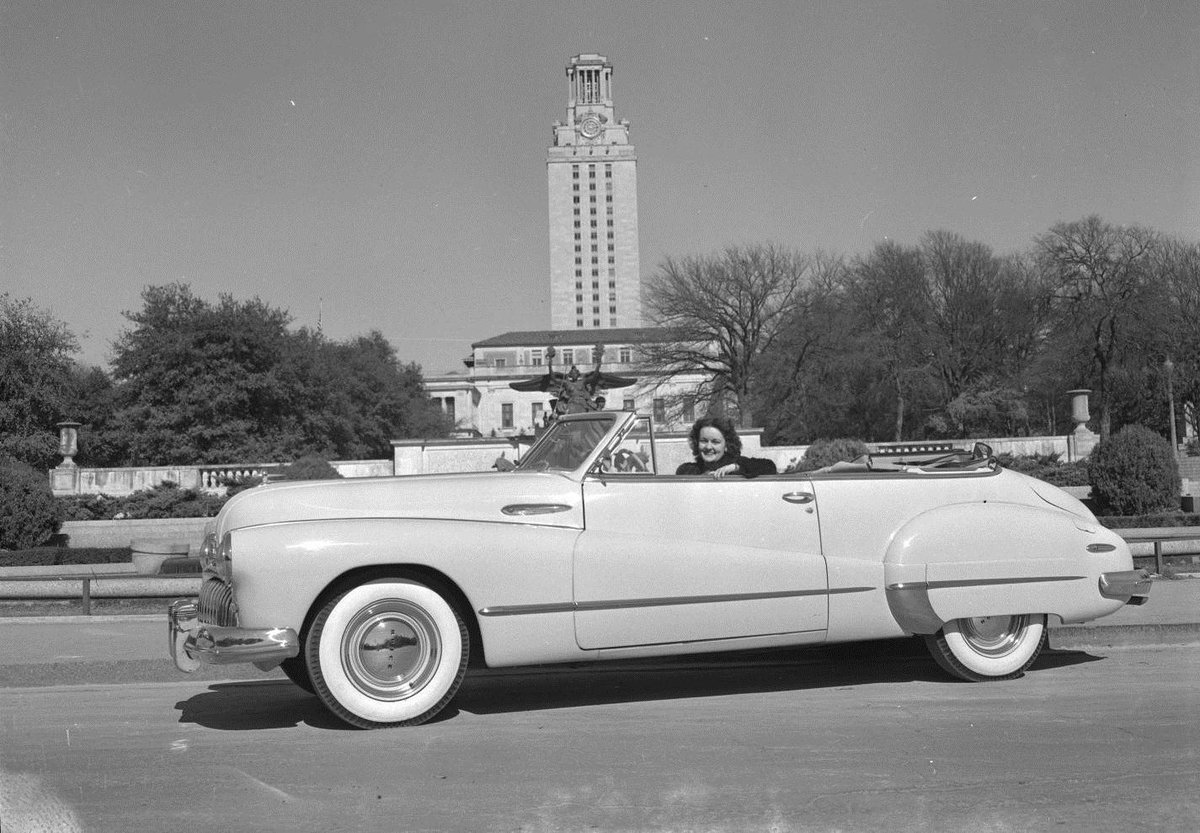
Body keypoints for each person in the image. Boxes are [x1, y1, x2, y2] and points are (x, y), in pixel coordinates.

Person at [675, 416, 777, 479]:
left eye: (715, 442)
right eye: (704, 441)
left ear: (727, 444)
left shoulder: (738, 464)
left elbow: (769, 467)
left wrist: (735, 468)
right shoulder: (687, 470)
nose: (708, 447)